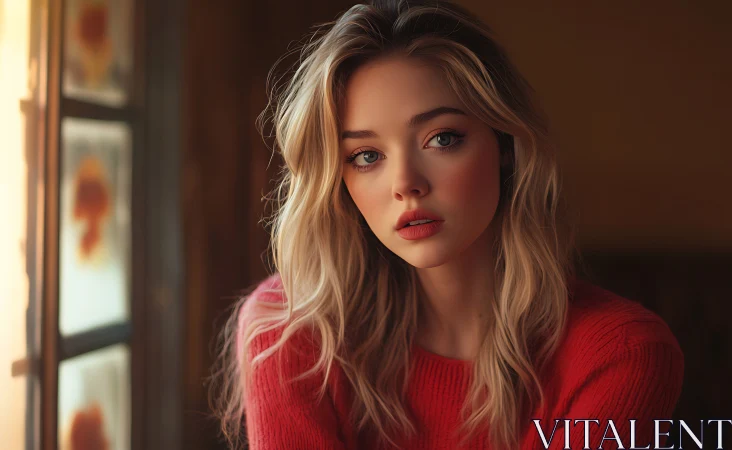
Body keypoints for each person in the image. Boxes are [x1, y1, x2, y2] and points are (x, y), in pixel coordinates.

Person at [210, 1, 684, 449]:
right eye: (366, 156)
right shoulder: (287, 332)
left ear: (504, 143)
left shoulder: (620, 353)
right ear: (339, 180)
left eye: (442, 138)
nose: (405, 184)